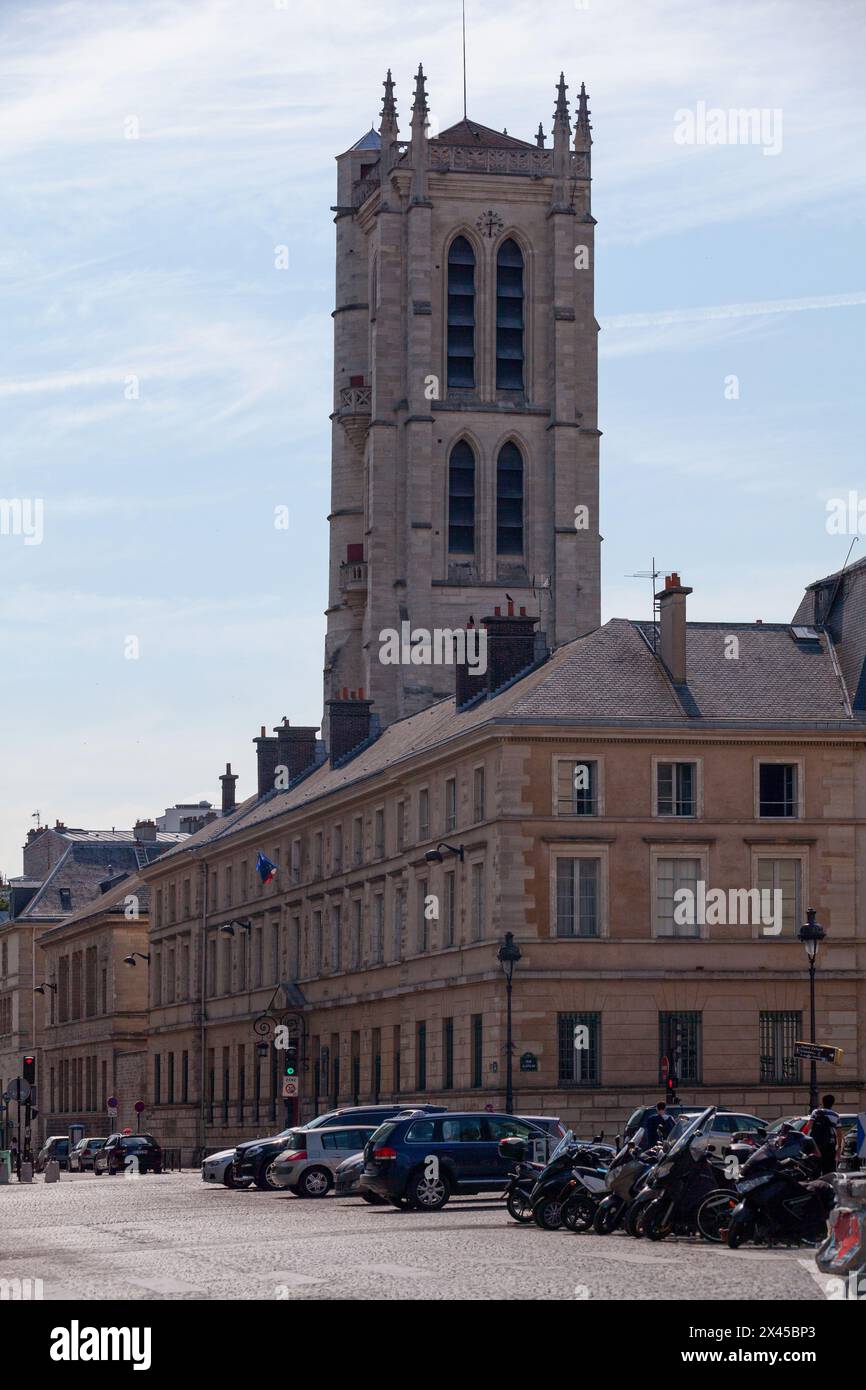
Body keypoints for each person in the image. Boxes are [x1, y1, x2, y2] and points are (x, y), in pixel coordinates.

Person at [809, 1094, 843, 1175]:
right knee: (829, 1171)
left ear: (822, 1102)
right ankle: (828, 1185)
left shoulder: (816, 1112)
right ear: (832, 1103)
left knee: (815, 1168)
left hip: (816, 1145)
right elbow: (839, 1134)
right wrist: (839, 1148)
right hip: (830, 1145)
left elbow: (809, 1126)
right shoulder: (836, 1115)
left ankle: (815, 1185)